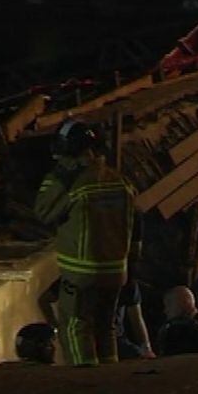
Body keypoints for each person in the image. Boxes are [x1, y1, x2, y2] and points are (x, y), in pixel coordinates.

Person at [35, 119, 137, 366]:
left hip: (83, 273)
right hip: (116, 272)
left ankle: (86, 382)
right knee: (106, 327)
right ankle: (110, 379)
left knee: (75, 326)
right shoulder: (121, 182)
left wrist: (59, 177)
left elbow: (43, 211)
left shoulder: (77, 185)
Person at [115, 278, 156, 360]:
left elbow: (137, 319)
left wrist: (147, 349)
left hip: (118, 339)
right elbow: (136, 318)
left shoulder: (128, 283)